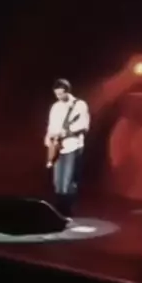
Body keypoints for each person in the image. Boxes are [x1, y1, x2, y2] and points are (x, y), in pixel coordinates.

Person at [44, 79, 90, 220]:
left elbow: (84, 125)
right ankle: (59, 210)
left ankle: (67, 210)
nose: (58, 97)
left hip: (72, 146)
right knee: (57, 181)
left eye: (61, 94)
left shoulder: (79, 105)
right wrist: (48, 138)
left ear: (67, 91)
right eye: (56, 94)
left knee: (68, 181)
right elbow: (51, 125)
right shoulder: (55, 107)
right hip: (57, 147)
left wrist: (67, 132)